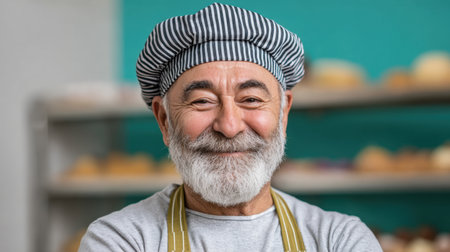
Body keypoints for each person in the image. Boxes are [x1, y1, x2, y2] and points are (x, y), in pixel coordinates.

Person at [79, 3, 382, 251]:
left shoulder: (340, 240)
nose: (229, 126)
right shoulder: (120, 240)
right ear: (164, 120)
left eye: (250, 99)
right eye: (202, 101)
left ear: (283, 114)